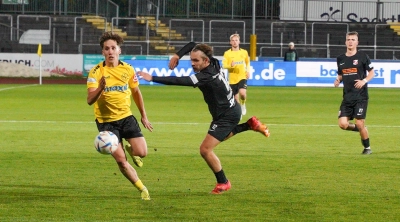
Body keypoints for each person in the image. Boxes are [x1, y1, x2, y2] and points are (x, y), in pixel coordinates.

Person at [138, 42, 270, 194]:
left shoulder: (206, 76)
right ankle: (250, 125)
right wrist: (177, 55)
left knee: (205, 149)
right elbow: (194, 44)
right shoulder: (213, 62)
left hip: (227, 115)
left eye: (196, 61)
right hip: (230, 109)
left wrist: (152, 77)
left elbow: (182, 81)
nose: (192, 63)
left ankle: (223, 182)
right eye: (191, 60)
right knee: (222, 136)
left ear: (205, 61)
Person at [86, 31, 153, 200]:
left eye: (113, 48)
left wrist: (144, 116)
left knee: (142, 152)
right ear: (102, 52)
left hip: (126, 118)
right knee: (121, 161)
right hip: (107, 123)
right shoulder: (96, 72)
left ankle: (132, 149)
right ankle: (142, 188)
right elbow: (89, 100)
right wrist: (101, 88)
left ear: (119, 50)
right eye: (106, 49)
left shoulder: (128, 69)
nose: (110, 51)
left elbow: (136, 92)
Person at [334, 31, 374, 155]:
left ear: (357, 42)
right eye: (348, 39)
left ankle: (367, 148)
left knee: (359, 121)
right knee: (343, 124)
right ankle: (361, 129)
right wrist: (337, 80)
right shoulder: (340, 58)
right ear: (345, 42)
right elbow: (341, 74)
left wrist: (364, 80)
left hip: (361, 96)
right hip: (347, 97)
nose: (350, 41)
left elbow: (372, 72)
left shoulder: (363, 56)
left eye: (353, 39)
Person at [222, 34, 250, 116]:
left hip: (242, 76)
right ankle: (239, 113)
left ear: (239, 42)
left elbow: (247, 63)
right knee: (235, 98)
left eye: (236, 40)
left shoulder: (244, 52)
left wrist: (248, 71)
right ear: (230, 42)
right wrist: (230, 65)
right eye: (233, 40)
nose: (235, 42)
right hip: (232, 79)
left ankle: (243, 104)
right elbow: (223, 65)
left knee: (242, 93)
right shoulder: (227, 53)